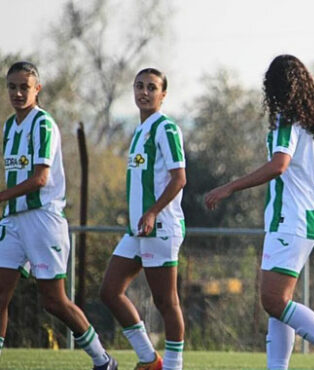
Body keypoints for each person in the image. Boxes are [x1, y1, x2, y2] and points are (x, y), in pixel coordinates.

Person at [204, 55, 314, 370]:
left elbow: (279, 165)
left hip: (289, 219)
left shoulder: (286, 119)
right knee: (279, 302)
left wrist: (229, 187)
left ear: (275, 88)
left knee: (274, 300)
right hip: (305, 220)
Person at [0, 61, 117, 369]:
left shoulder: (43, 124)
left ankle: (103, 360)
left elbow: (41, 178)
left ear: (37, 89)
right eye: (12, 86)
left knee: (54, 302)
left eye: (24, 87)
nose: (17, 92)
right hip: (13, 220)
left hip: (43, 218)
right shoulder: (9, 127)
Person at [99, 68, 186, 370]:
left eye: (152, 87)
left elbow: (179, 178)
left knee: (166, 301)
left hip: (160, 226)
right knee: (109, 291)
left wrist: (152, 212)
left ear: (163, 95)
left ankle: (173, 366)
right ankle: (149, 359)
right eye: (139, 86)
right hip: (138, 229)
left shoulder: (166, 128)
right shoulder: (139, 130)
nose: (144, 92)